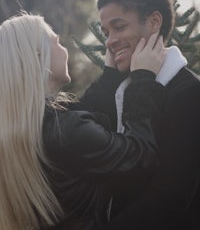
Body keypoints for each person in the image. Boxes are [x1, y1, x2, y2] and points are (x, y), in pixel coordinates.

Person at [0, 12, 167, 230]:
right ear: (39, 53)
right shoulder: (65, 131)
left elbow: (78, 120)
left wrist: (110, 77)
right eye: (57, 42)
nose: (65, 49)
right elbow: (139, 155)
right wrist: (144, 79)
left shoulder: (29, 127)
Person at [81, 0, 200, 230]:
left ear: (154, 22)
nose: (110, 41)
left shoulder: (190, 93)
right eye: (106, 32)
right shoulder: (121, 90)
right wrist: (109, 79)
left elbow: (169, 199)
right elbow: (76, 129)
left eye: (119, 27)